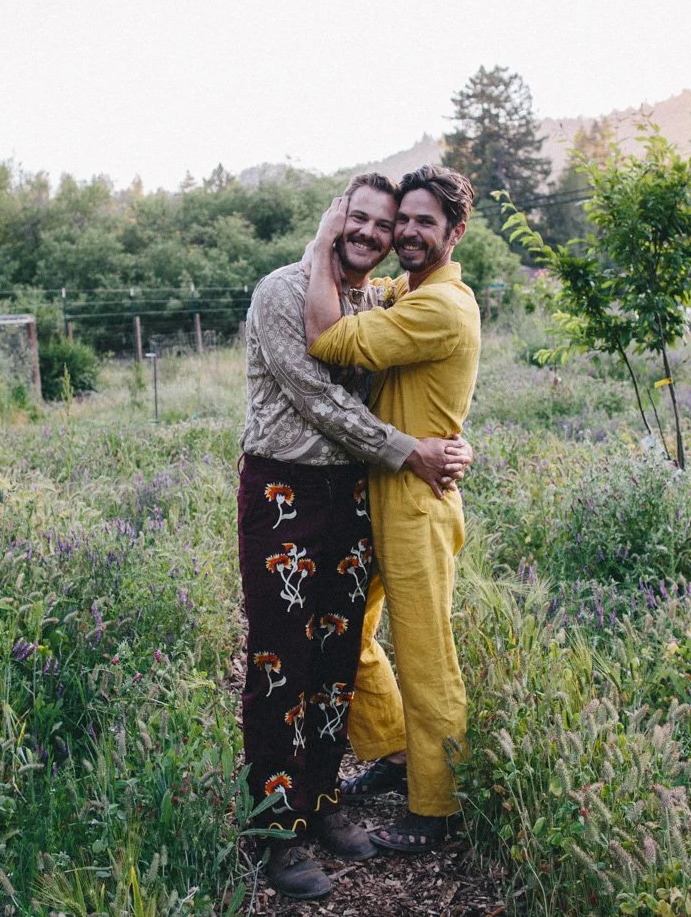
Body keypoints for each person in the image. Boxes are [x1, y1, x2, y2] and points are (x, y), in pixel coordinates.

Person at [237, 171, 473, 899]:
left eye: (388, 221)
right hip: (284, 491)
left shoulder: (380, 297)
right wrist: (413, 450)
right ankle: (277, 831)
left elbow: (423, 377)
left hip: (351, 496)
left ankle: (324, 803)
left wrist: (450, 440)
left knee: (337, 658)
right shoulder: (282, 292)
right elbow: (323, 403)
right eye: (362, 218)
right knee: (283, 663)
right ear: (336, 219)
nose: (377, 232)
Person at [303, 164, 481, 854]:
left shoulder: (442, 306)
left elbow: (331, 336)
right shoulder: (408, 288)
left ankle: (437, 808)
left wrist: (324, 242)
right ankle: (401, 750)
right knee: (351, 631)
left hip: (416, 500)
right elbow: (364, 293)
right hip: (383, 481)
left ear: (454, 232)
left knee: (426, 652)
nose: (405, 231)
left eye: (423, 222)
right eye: (400, 218)